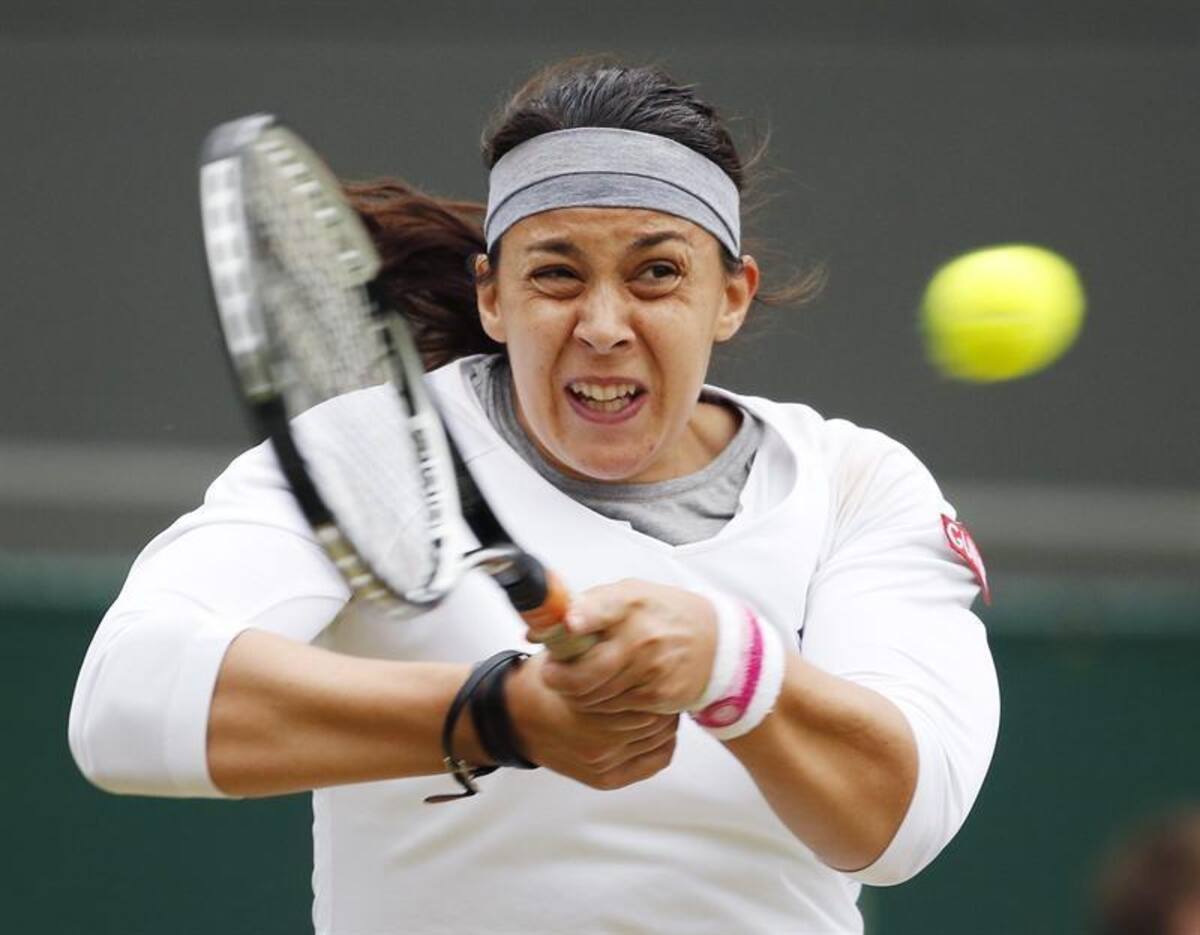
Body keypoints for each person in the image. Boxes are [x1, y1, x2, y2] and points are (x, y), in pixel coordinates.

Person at [68, 58, 1000, 934]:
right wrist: (499, 714)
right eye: (556, 273)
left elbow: (902, 825)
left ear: (731, 295)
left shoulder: (855, 483)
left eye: (657, 272)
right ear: (492, 296)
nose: (603, 325)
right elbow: (123, 703)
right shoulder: (365, 450)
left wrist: (730, 664)